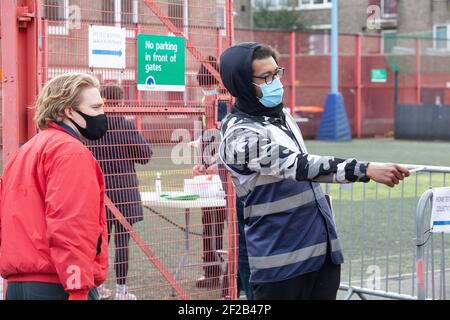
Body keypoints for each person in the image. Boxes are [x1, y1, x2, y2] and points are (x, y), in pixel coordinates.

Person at [218, 43, 411, 300]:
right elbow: (299, 165)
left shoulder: (282, 117)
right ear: (241, 83)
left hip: (322, 255)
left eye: (277, 73)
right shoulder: (239, 135)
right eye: (265, 77)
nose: (275, 82)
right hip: (280, 264)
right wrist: (365, 170)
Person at [0, 73, 109, 300]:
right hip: (58, 284)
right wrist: (79, 289)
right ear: (68, 111)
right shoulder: (70, 152)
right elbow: (72, 224)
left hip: (17, 285)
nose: (102, 114)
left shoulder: (23, 153)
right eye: (96, 106)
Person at [87, 85, 152, 300]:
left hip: (98, 194)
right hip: (124, 192)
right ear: (121, 102)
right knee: (123, 243)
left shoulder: (90, 127)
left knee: (99, 243)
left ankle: (99, 286)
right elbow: (145, 155)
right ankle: (121, 291)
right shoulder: (125, 125)